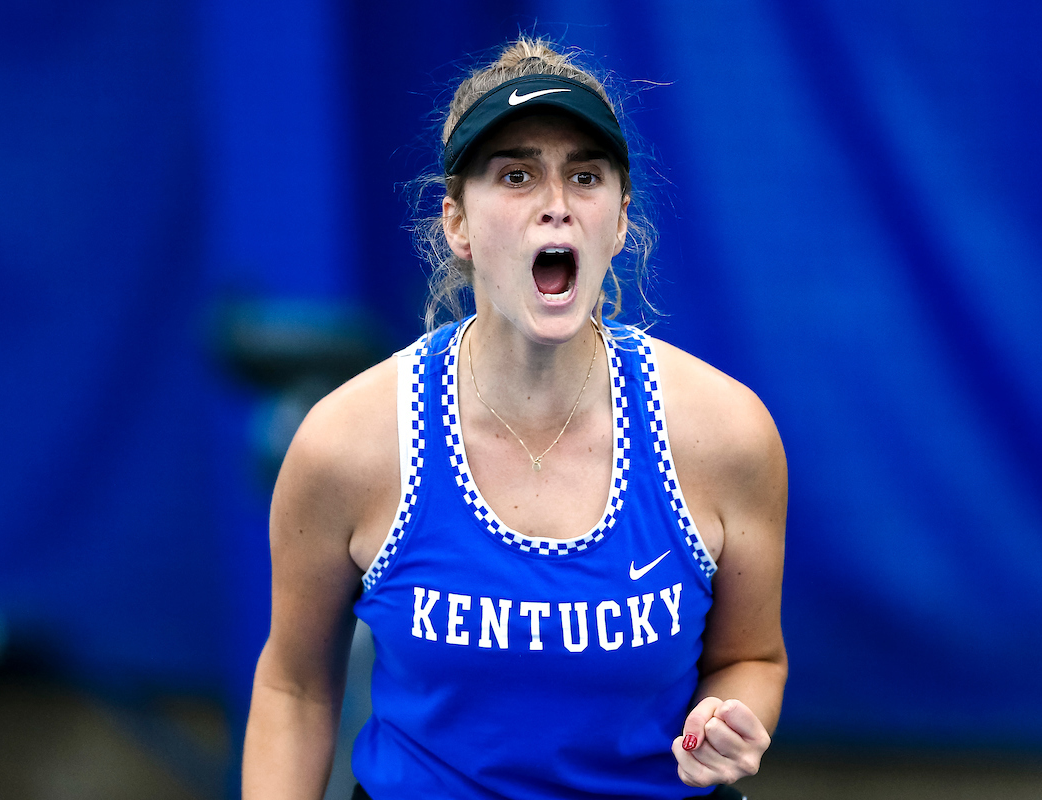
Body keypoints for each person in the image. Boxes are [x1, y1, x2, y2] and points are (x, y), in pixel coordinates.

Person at [242, 37, 787, 800]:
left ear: (621, 220)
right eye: (517, 175)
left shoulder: (726, 435)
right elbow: (294, 689)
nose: (555, 202)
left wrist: (729, 723)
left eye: (586, 176)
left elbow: (752, 659)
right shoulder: (346, 446)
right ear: (457, 224)